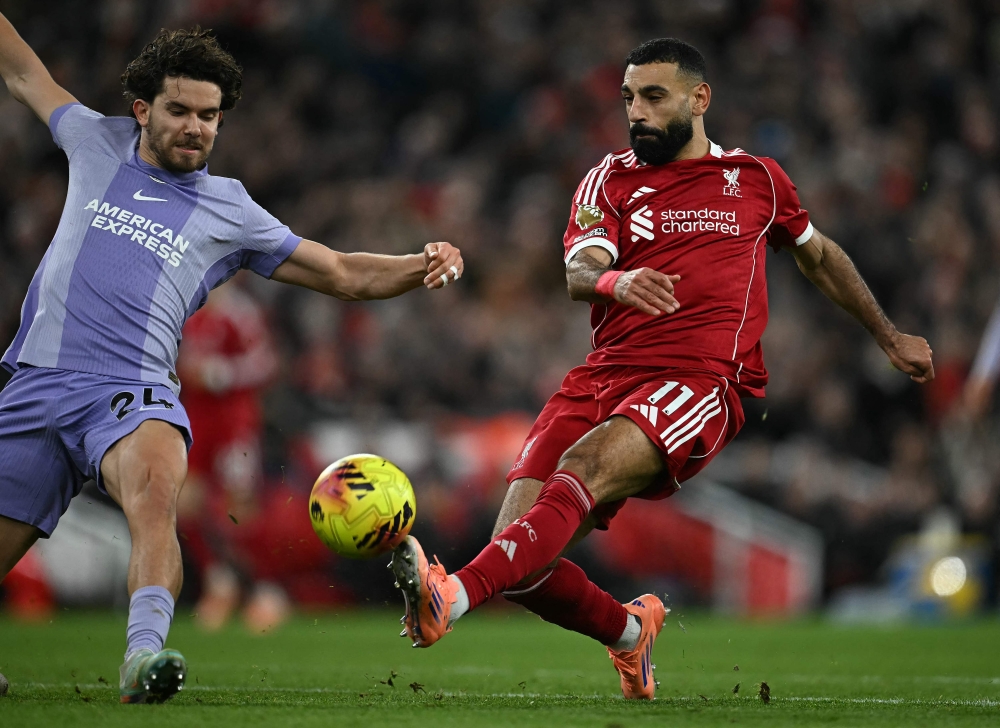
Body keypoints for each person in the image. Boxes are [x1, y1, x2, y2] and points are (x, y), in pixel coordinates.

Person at [388, 38, 934, 700]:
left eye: (653, 96)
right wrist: (617, 282)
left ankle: (449, 599)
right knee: (519, 556)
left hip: (702, 379)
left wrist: (888, 334)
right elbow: (578, 270)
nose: (637, 112)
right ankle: (629, 634)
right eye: (627, 99)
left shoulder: (758, 180)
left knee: (581, 472)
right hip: (602, 375)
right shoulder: (608, 179)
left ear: (699, 99)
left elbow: (818, 257)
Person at [0, 17, 463, 704]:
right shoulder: (93, 140)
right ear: (142, 110)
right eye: (181, 110)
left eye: (209, 116)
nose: (195, 127)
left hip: (130, 393)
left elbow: (340, 271)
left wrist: (418, 263)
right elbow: (21, 72)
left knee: (157, 496)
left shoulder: (232, 210)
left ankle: (142, 659)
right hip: (35, 384)